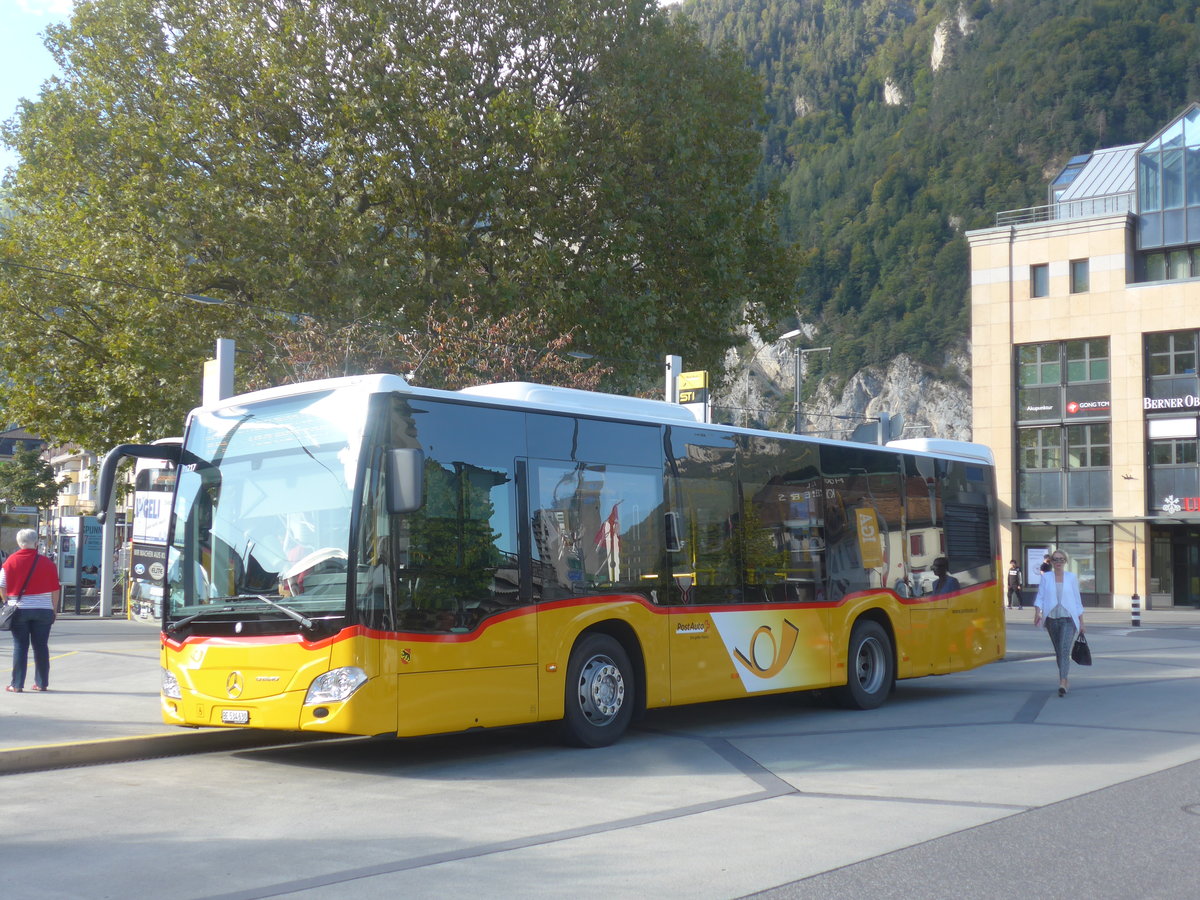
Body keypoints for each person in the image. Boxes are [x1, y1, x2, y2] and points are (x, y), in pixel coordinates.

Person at [2, 528, 61, 693]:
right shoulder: (47, 563)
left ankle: (17, 684)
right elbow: (55, 589)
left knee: (20, 646)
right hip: (43, 610)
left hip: (19, 609)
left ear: (19, 543)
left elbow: (2, 585)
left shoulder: (10, 562)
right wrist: (53, 609)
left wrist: (7, 602)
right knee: (41, 646)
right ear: (36, 543)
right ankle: (41, 683)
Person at [1033, 549, 1085, 697]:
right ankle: (1065, 678)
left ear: (1065, 562)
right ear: (1051, 561)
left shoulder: (1071, 577)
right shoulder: (1046, 578)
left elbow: (1077, 600)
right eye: (1055, 559)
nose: (1058, 562)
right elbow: (1041, 596)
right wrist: (1037, 612)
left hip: (1069, 619)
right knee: (1059, 651)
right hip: (1052, 619)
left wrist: (1082, 622)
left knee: (1063, 650)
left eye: (1061, 559)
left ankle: (1062, 682)